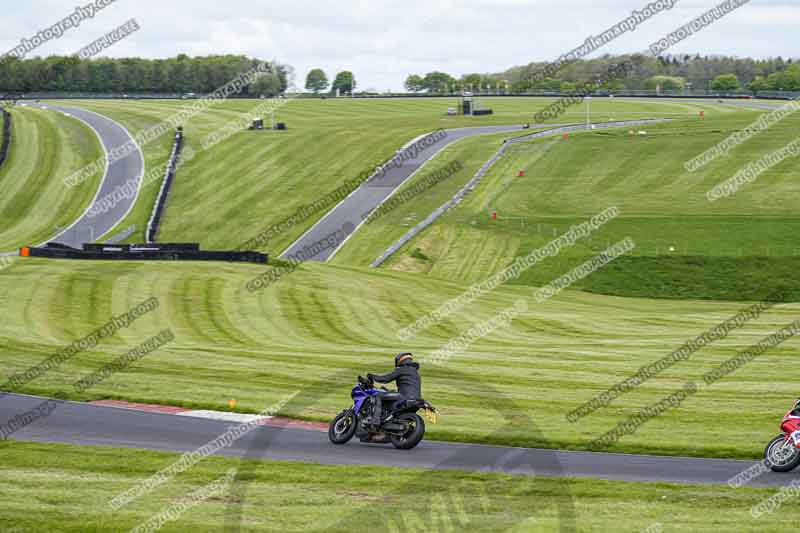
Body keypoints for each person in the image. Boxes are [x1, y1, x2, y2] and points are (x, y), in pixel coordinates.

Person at [367, 353, 421, 427]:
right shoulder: (416, 373)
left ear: (400, 360)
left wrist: (372, 376)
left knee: (377, 396)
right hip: (416, 400)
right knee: (391, 394)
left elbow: (385, 379)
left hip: (404, 396)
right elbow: (407, 386)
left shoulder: (402, 369)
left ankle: (375, 420)